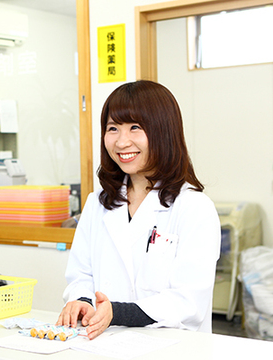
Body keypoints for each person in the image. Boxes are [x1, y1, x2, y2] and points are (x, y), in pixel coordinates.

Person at [56, 80, 221, 340]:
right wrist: (81, 301)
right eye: (113, 128)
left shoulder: (193, 207)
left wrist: (117, 313)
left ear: (163, 132)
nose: (122, 142)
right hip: (103, 344)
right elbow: (80, 273)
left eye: (135, 127)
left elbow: (188, 302)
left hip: (173, 350)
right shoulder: (97, 202)